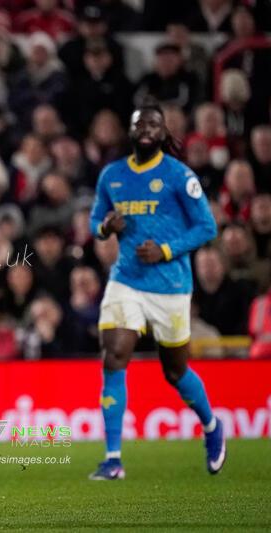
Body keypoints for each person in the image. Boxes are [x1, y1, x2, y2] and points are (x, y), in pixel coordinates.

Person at [88, 103, 225, 480]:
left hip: (171, 286)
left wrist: (165, 250)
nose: (146, 129)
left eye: (153, 124)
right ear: (130, 131)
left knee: (175, 371)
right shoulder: (112, 175)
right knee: (114, 356)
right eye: (140, 124)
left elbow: (207, 227)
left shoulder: (179, 175)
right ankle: (113, 459)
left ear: (163, 133)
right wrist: (106, 227)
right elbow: (95, 219)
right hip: (126, 280)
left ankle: (212, 426)